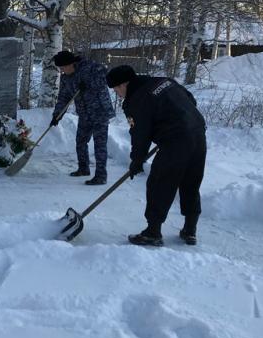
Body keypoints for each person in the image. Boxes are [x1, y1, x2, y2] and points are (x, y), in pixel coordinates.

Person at [105, 65, 206, 246]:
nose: (116, 93)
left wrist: (137, 160)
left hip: (175, 141)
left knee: (160, 183)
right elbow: (190, 99)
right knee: (190, 182)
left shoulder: (137, 100)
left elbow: (140, 134)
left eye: (115, 89)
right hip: (198, 134)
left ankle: (153, 232)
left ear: (124, 84)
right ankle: (190, 230)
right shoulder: (164, 81)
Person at [50, 50, 115, 185]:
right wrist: (57, 115)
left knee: (99, 145)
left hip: (100, 112)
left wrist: (89, 83)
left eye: (62, 68)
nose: (62, 71)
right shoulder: (66, 78)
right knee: (80, 141)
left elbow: (105, 77)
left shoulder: (90, 67)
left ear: (70, 64)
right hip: (84, 114)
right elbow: (64, 97)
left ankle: (101, 176)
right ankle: (83, 168)